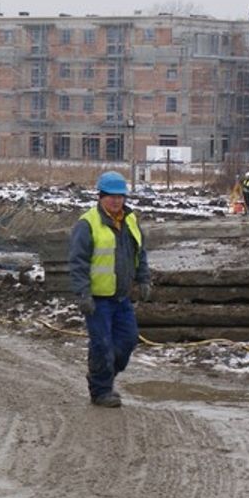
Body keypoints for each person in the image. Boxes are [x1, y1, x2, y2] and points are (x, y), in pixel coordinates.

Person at [68, 171, 151, 408]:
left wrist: (144, 279)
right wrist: (83, 293)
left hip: (121, 297)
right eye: (111, 197)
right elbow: (78, 262)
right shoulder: (88, 224)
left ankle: (100, 376)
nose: (116, 201)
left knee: (128, 341)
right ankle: (101, 391)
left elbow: (140, 253)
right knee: (102, 344)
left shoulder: (131, 221)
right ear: (101, 197)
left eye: (120, 197)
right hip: (98, 299)